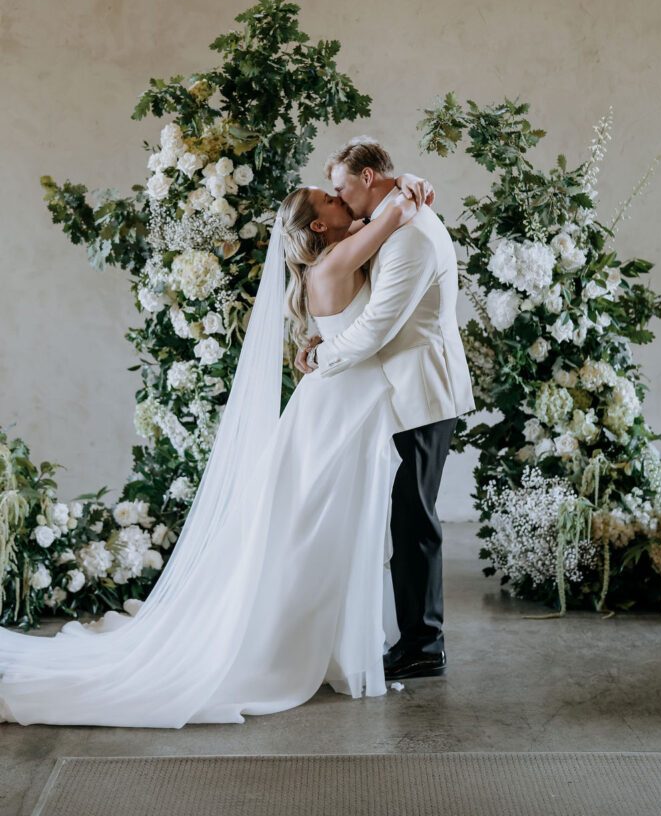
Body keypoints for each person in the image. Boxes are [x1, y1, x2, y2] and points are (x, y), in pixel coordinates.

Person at [0, 171, 436, 728]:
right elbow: (397, 212)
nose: (341, 198)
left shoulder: (326, 262)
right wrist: (410, 184)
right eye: (330, 197)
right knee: (319, 529)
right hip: (343, 403)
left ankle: (332, 643)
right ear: (321, 223)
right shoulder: (340, 255)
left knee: (321, 527)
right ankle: (303, 645)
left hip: (338, 402)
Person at [296, 137, 476, 681]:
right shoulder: (398, 217)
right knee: (403, 516)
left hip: (421, 393)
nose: (338, 196)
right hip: (400, 392)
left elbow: (376, 329)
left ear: (369, 177)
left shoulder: (410, 239)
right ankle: (416, 636)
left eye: (342, 186)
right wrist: (405, 190)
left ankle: (424, 643)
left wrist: (323, 356)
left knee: (414, 519)